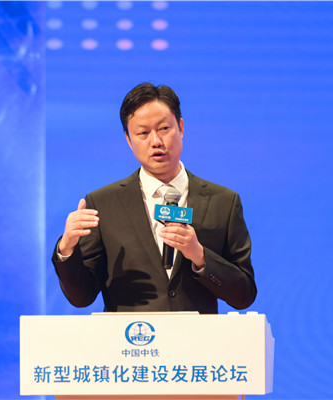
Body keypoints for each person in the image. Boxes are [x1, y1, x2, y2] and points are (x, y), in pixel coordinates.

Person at [52, 82, 256, 314]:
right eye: (143, 133)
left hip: (198, 337)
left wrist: (199, 256)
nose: (156, 141)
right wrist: (67, 248)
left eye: (164, 128)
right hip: (131, 336)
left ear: (181, 127)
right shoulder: (103, 204)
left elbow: (245, 295)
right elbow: (81, 297)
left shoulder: (223, 202)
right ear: (129, 139)